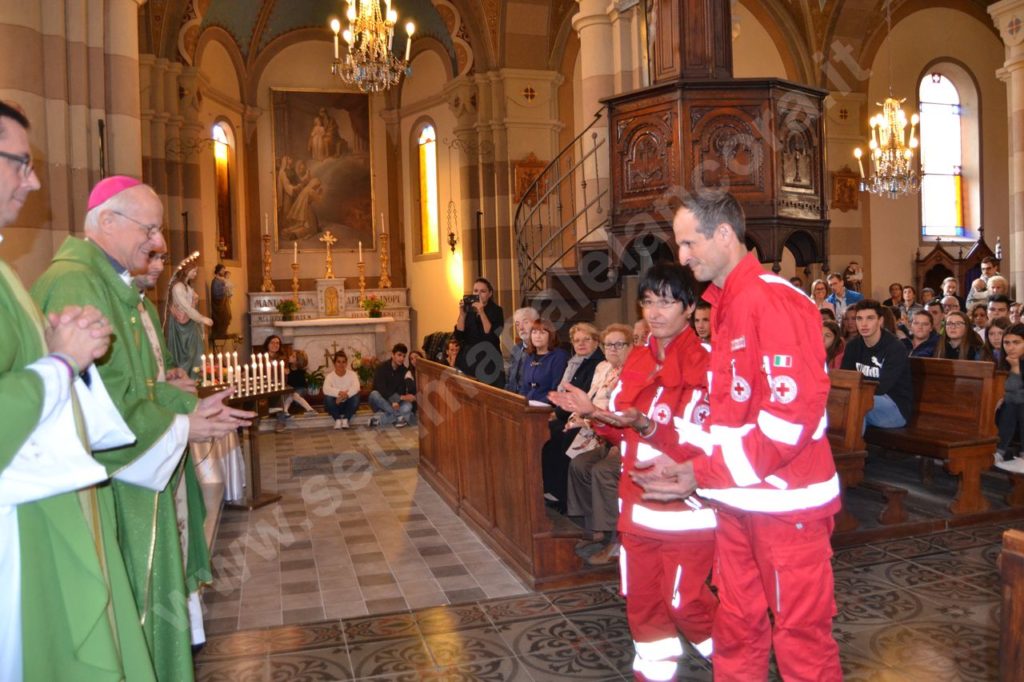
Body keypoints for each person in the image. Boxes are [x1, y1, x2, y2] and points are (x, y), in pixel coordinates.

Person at [32, 175, 254, 682]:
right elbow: (94, 403)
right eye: (149, 229)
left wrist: (183, 403)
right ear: (107, 221)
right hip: (113, 488)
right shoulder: (76, 283)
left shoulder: (107, 283)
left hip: (135, 480)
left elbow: (132, 385)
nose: (158, 242)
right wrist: (182, 425)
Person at [635, 191, 842, 680]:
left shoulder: (773, 300)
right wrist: (691, 462)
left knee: (801, 636)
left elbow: (789, 421)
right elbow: (734, 412)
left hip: (787, 504)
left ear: (724, 234)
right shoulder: (726, 303)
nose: (682, 256)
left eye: (689, 243)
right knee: (737, 625)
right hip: (735, 500)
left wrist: (702, 474)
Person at [0, 102, 158, 682]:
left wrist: (55, 348)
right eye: (20, 162)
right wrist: (63, 360)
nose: (34, 179)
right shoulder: (74, 274)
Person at [549, 263, 717, 679]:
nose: (655, 312)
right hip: (637, 507)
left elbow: (706, 447)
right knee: (643, 605)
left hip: (685, 510)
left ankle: (737, 658)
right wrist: (594, 414)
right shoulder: (640, 360)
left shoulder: (707, 365)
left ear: (689, 306)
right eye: (647, 302)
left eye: (667, 301)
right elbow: (625, 433)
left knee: (686, 602)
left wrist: (646, 425)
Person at [564, 323, 633, 563]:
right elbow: (594, 398)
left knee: (603, 471)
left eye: (619, 344)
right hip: (606, 434)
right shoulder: (605, 368)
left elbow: (629, 413)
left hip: (630, 439)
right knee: (580, 464)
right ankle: (596, 529)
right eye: (608, 345)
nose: (612, 349)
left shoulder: (634, 371)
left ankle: (617, 540)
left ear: (631, 346)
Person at [541, 323, 605, 513]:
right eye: (577, 341)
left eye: (586, 339)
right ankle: (550, 488)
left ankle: (564, 495)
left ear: (596, 341)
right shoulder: (575, 362)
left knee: (563, 434)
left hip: (585, 415)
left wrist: (557, 413)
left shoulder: (596, 364)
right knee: (546, 432)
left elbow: (582, 395)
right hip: (569, 413)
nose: (581, 344)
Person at [842, 300, 914, 429]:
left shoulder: (895, 348)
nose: (863, 324)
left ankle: (851, 448)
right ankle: (843, 447)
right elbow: (845, 379)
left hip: (895, 407)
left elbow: (881, 388)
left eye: (870, 318)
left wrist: (854, 394)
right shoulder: (853, 346)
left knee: (856, 403)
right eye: (859, 318)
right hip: (864, 402)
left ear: (880, 321)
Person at [454, 277, 505, 387]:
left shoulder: (497, 311)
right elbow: (459, 336)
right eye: (476, 291)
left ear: (490, 294)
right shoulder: (468, 310)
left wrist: (481, 312)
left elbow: (492, 336)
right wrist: (462, 315)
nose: (479, 294)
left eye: (483, 291)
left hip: (488, 361)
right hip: (468, 360)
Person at [994, 324, 1024, 473]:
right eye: (1007, 343)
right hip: (1009, 410)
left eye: (1016, 342)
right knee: (1010, 404)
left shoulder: (1014, 363)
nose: (1011, 347)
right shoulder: (1004, 361)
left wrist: (1017, 368)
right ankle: (999, 451)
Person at [518, 319, 569, 404]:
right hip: (528, 405)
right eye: (534, 332)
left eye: (542, 333)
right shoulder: (529, 356)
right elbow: (524, 387)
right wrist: (521, 402)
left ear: (551, 336)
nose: (537, 336)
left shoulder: (559, 356)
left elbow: (556, 390)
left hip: (547, 406)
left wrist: (535, 405)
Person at [369, 343, 415, 427]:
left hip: (396, 403)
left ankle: (378, 420)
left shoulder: (404, 371)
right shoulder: (381, 368)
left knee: (408, 406)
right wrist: (395, 400)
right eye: (399, 355)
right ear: (393, 355)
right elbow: (381, 389)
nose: (402, 358)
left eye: (404, 356)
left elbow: (402, 390)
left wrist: (397, 399)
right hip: (381, 402)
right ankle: (399, 416)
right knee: (374, 394)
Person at [505, 306, 539, 394]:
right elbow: (510, 378)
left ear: (536, 323)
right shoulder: (516, 348)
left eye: (525, 322)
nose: (521, 328)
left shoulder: (542, 350)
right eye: (517, 324)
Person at [323, 350, 360, 429]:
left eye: (343, 362)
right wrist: (339, 393)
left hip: (348, 404)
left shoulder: (352, 374)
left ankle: (346, 420)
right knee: (327, 398)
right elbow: (325, 389)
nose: (341, 364)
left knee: (356, 397)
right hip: (335, 404)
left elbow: (357, 387)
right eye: (338, 362)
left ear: (346, 363)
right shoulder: (329, 376)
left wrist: (346, 396)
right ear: (334, 363)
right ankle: (337, 420)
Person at [210, 263, 232, 341]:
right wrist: (224, 290)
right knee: (223, 317)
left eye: (224, 270)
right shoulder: (215, 281)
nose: (223, 272)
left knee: (228, 316)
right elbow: (216, 294)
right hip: (219, 305)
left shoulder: (222, 280)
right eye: (222, 270)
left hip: (224, 303)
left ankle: (223, 332)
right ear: (218, 271)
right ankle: (220, 334)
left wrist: (228, 292)